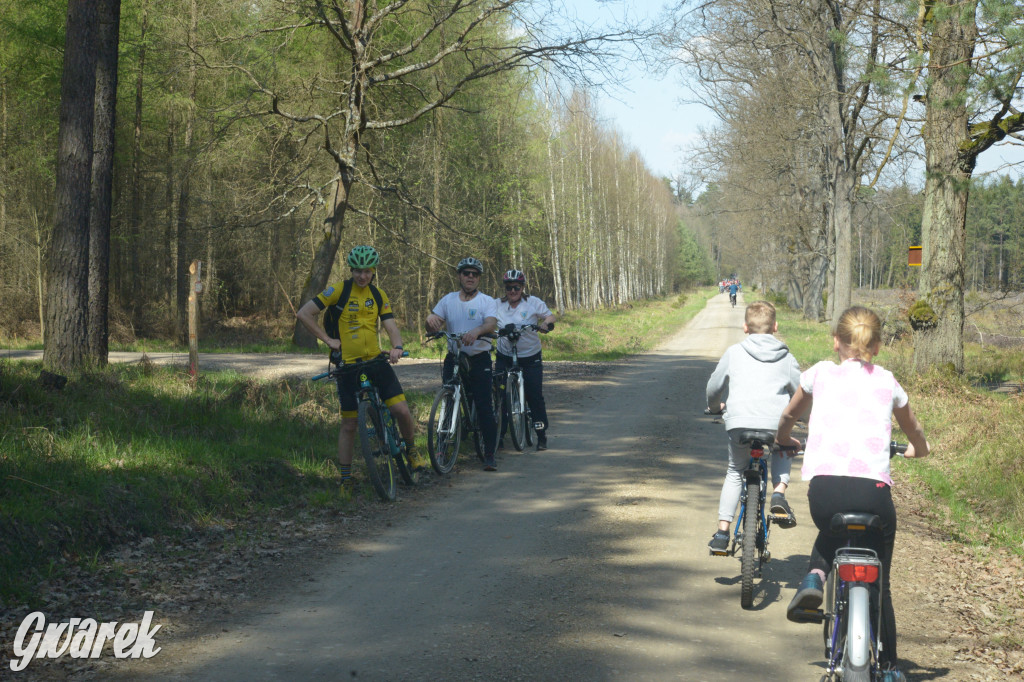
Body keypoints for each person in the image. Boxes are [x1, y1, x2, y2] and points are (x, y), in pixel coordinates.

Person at [776, 306, 929, 682]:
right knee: (883, 583)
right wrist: (919, 449)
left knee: (830, 529)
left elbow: (789, 416)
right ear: (877, 346)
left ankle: (814, 577)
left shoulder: (819, 374)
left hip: (825, 490)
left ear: (835, 342)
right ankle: (891, 667)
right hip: (873, 495)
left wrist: (784, 440)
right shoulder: (889, 382)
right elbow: (913, 428)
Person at [295, 245, 428, 487]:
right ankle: (345, 480)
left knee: (402, 411)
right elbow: (304, 313)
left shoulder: (378, 295)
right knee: (349, 424)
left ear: (374, 271)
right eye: (357, 271)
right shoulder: (339, 291)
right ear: (351, 270)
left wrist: (397, 346)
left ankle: (411, 451)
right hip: (347, 366)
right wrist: (328, 340)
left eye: (367, 271)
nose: (362, 276)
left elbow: (390, 326)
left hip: (376, 361)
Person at [706, 300, 801, 554]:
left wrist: (716, 407)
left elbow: (714, 387)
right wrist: (805, 418)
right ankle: (779, 493)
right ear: (776, 326)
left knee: (735, 470)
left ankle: (722, 533)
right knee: (783, 446)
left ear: (745, 327)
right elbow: (802, 393)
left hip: (738, 423)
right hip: (774, 424)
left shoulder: (734, 352)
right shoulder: (787, 358)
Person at [425, 257, 500, 470]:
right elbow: (434, 323)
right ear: (459, 276)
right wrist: (430, 321)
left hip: (479, 358)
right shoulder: (448, 300)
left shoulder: (487, 301)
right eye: (466, 273)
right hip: (454, 357)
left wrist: (477, 331)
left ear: (479, 278)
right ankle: (442, 448)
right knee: (449, 400)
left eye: (474, 274)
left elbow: (491, 323)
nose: (470, 277)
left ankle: (489, 454)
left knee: (485, 406)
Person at [494, 269, 556, 451]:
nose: (512, 291)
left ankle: (541, 435)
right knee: (501, 396)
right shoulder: (497, 304)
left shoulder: (533, 303)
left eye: (516, 287)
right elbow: (485, 317)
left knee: (534, 395)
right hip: (505, 355)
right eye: (508, 288)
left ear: (522, 288)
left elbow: (550, 316)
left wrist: (545, 324)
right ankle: (499, 435)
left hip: (530, 357)